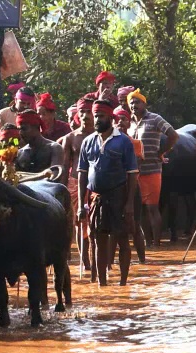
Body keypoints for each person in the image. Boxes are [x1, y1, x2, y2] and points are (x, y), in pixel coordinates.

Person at [77, 100, 138, 286]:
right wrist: (81, 205)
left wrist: (129, 204)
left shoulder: (124, 142)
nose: (97, 119)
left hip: (118, 197)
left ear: (110, 118)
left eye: (101, 116)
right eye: (96, 116)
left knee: (122, 239)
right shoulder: (87, 142)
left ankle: (123, 283)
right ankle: (102, 284)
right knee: (98, 240)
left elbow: (132, 174)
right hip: (96, 198)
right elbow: (82, 175)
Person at [127, 89, 178, 247]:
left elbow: (173, 135)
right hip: (134, 173)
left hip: (152, 170)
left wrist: (161, 152)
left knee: (152, 208)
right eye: (131, 102)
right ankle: (146, 243)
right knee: (140, 210)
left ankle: (156, 244)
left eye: (137, 102)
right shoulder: (129, 123)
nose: (134, 105)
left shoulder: (155, 119)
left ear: (144, 103)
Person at [60, 97, 96, 270]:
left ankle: (98, 260)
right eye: (82, 111)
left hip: (97, 184)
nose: (85, 115)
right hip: (74, 184)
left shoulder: (101, 136)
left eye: (89, 111)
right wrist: (61, 189)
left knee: (97, 223)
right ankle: (86, 262)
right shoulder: (70, 138)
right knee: (79, 223)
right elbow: (65, 166)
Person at [113, 106, 146, 263]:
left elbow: (133, 167)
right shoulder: (107, 143)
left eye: (124, 119)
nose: (120, 122)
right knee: (112, 227)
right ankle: (109, 264)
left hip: (132, 188)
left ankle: (143, 262)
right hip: (113, 189)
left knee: (135, 225)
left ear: (129, 123)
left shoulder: (137, 144)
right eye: (117, 119)